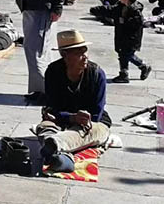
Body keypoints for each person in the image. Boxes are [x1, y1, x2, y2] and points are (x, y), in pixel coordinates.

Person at [37, 29, 112, 174]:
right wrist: (70, 117)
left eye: (85, 52)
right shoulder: (53, 72)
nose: (85, 57)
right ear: (65, 55)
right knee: (44, 126)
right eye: (79, 53)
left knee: (89, 132)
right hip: (62, 119)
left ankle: (55, 145)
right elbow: (52, 107)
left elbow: (96, 114)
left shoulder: (97, 74)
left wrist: (78, 119)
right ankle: (61, 156)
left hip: (89, 124)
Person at [111, 0, 151, 83]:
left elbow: (135, 25)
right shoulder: (122, 5)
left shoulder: (135, 11)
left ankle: (143, 66)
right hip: (122, 36)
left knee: (127, 55)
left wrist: (123, 21)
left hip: (131, 39)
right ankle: (124, 73)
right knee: (122, 54)